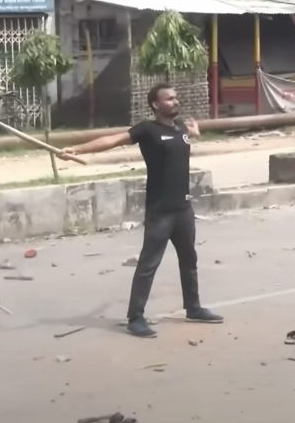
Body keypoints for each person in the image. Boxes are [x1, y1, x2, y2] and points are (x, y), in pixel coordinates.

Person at [60, 83, 222, 339]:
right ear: (156, 105)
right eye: (169, 99)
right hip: (160, 211)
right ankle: (135, 318)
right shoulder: (147, 129)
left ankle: (193, 308)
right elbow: (112, 140)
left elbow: (181, 146)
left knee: (189, 260)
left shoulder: (179, 127)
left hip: (183, 209)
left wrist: (194, 133)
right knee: (148, 264)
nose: (175, 101)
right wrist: (77, 149)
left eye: (175, 98)